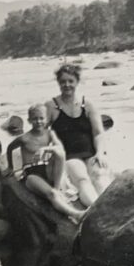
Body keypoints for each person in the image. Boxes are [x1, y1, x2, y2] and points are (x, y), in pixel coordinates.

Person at [5, 104, 86, 221]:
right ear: (29, 120)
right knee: (51, 194)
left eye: (41, 118)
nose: (38, 121)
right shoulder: (24, 138)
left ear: (46, 119)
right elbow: (10, 148)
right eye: (35, 119)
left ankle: (58, 188)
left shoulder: (49, 133)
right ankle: (76, 214)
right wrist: (10, 167)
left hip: (47, 169)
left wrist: (46, 149)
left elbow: (60, 148)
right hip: (32, 174)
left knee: (59, 153)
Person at [46, 63, 109, 208]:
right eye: (63, 82)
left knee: (100, 176)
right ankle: (96, 210)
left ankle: (110, 207)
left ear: (77, 82)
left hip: (91, 153)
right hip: (69, 156)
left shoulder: (87, 104)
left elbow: (98, 133)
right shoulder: (51, 106)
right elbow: (41, 132)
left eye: (70, 81)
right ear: (58, 83)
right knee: (82, 179)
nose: (67, 85)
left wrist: (100, 153)